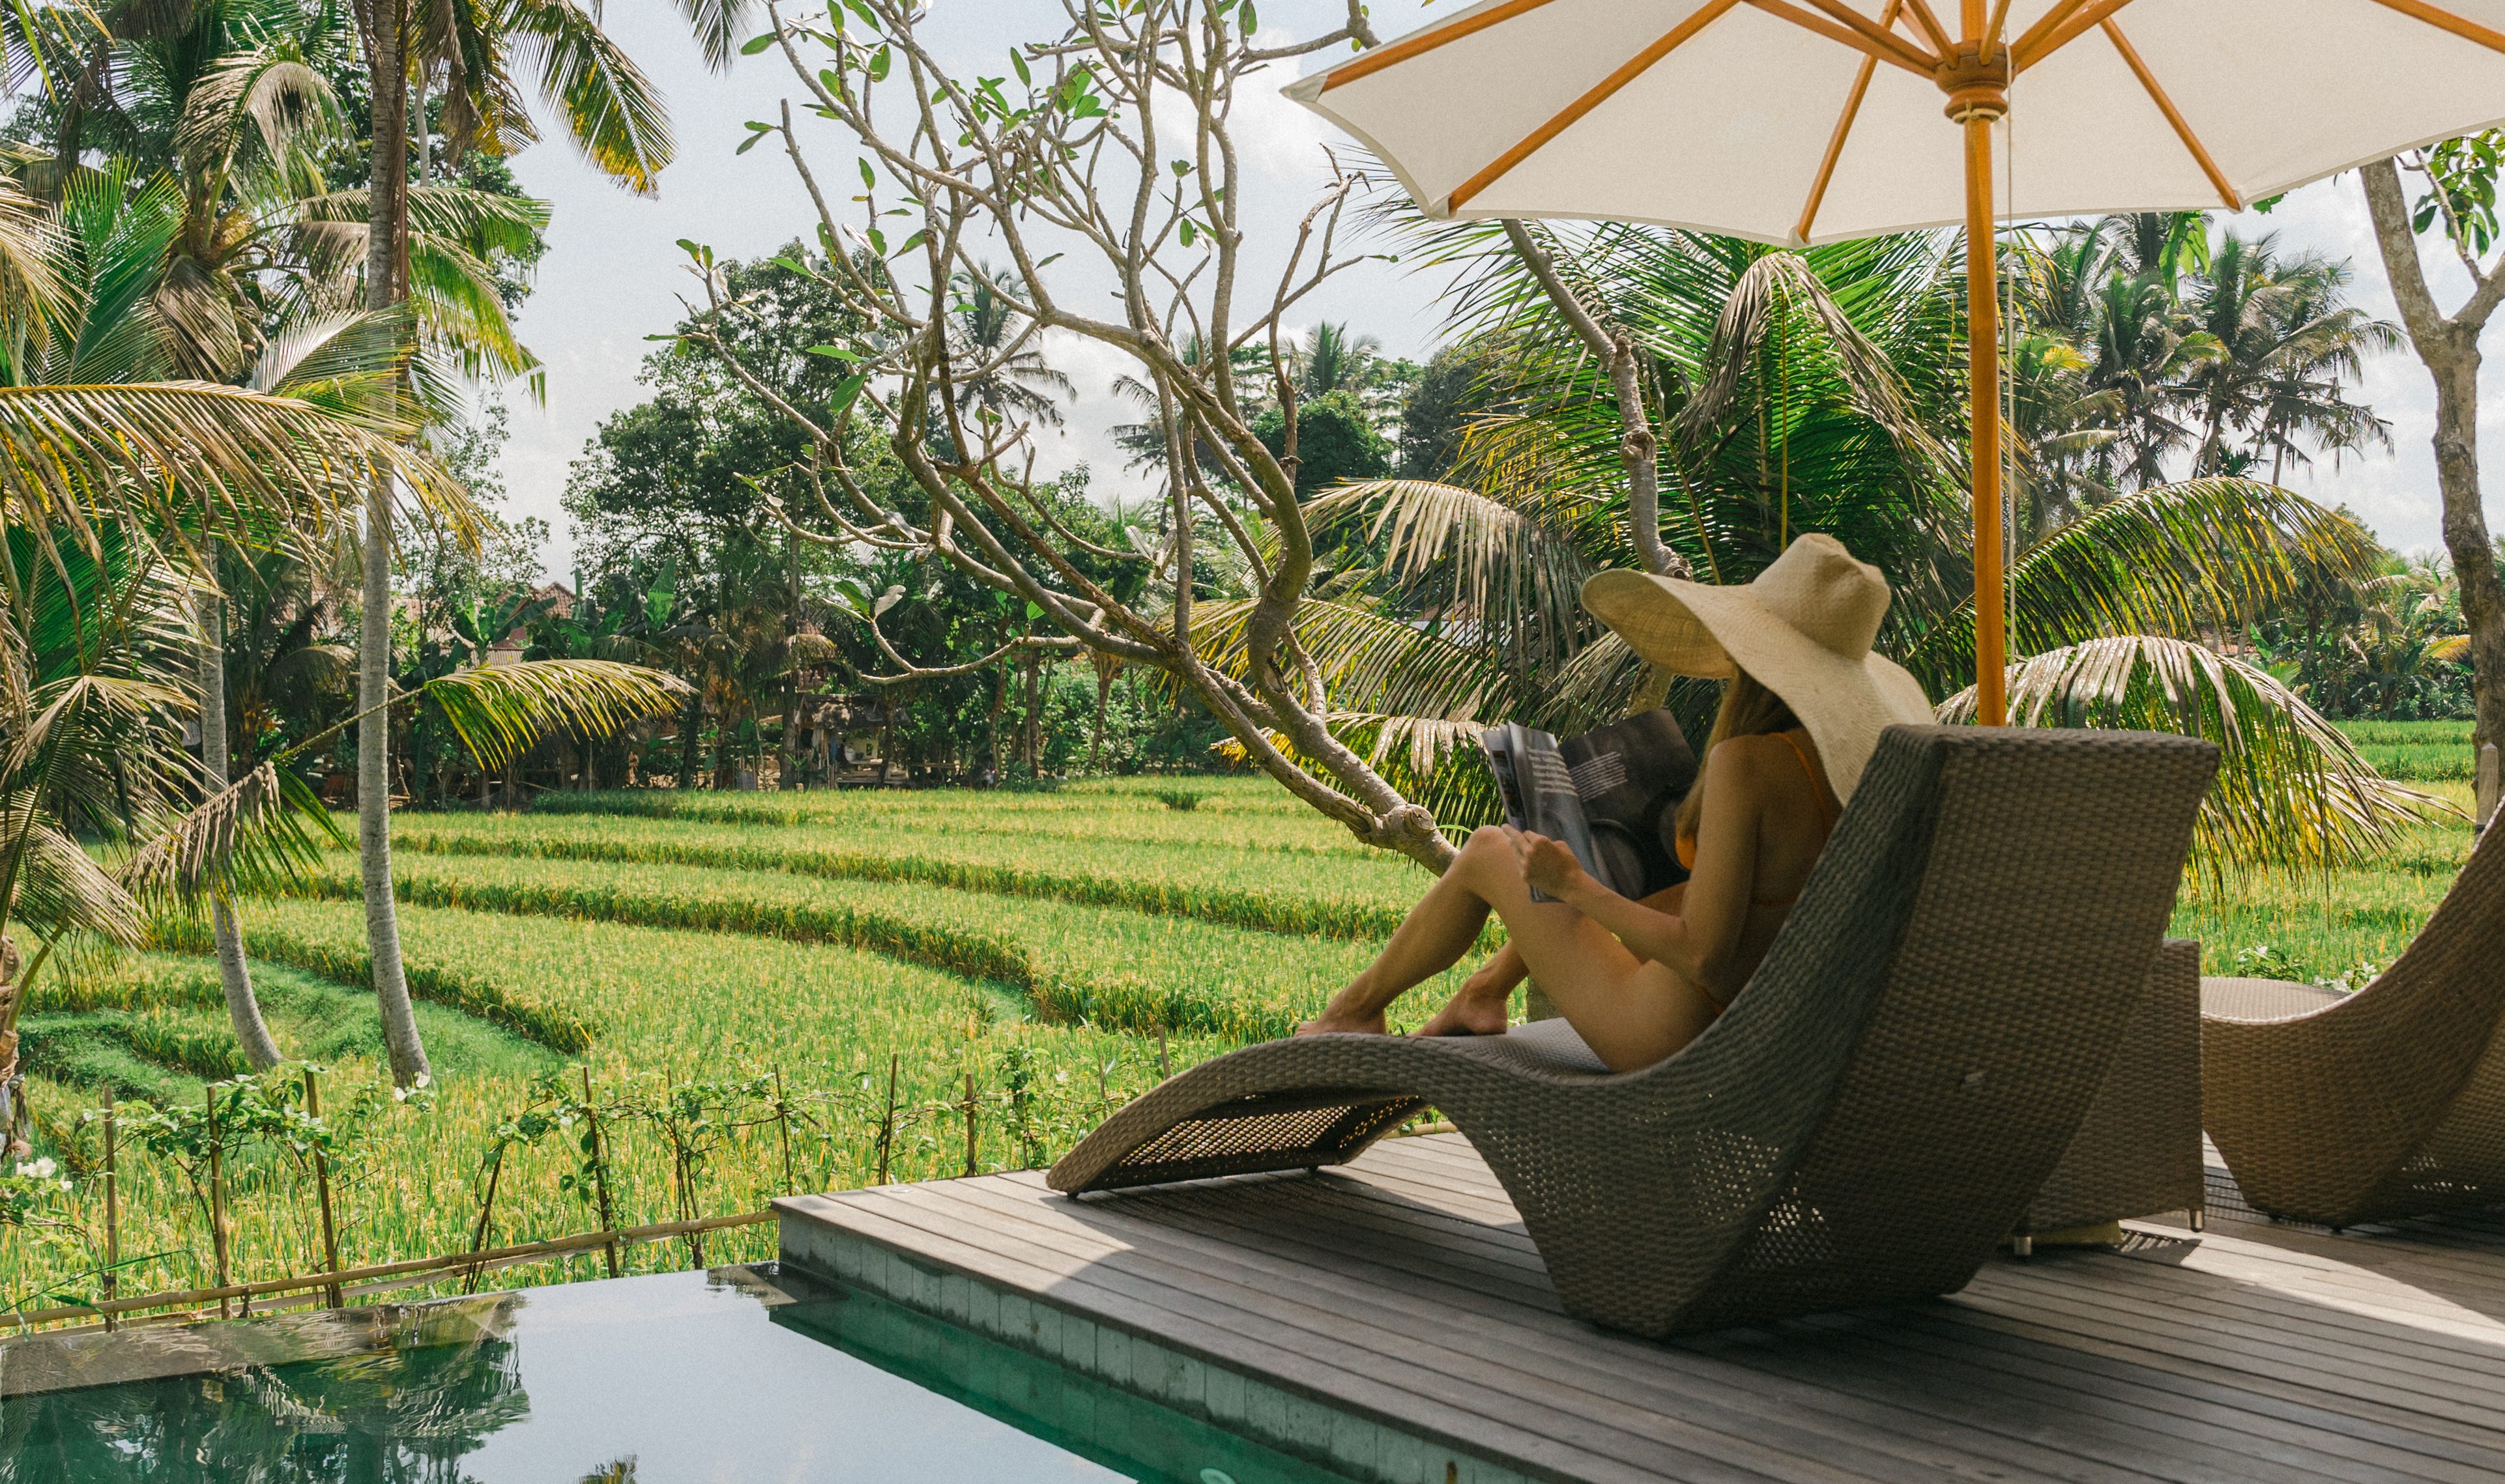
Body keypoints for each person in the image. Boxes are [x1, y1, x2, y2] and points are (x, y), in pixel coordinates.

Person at [1297, 534, 1936, 1072]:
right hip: (1768, 1024)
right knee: (1641, 875)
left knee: (1492, 849)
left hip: (1670, 1031)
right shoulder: (1857, 768)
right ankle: (1482, 992)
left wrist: (1574, 885)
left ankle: (1354, 1011)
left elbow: (1702, 957)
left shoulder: (1745, 763)